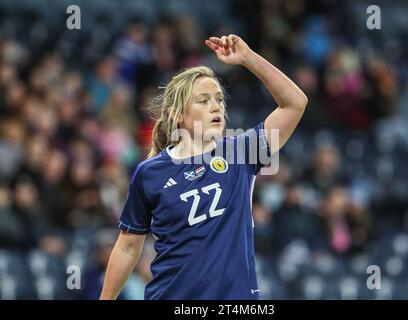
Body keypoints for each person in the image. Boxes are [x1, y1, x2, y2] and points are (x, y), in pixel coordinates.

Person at [100, 34, 308, 300]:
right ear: (178, 114)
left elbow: (295, 103)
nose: (215, 107)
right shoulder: (150, 172)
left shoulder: (240, 152)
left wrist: (248, 58)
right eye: (203, 100)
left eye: (219, 99)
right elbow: (128, 248)